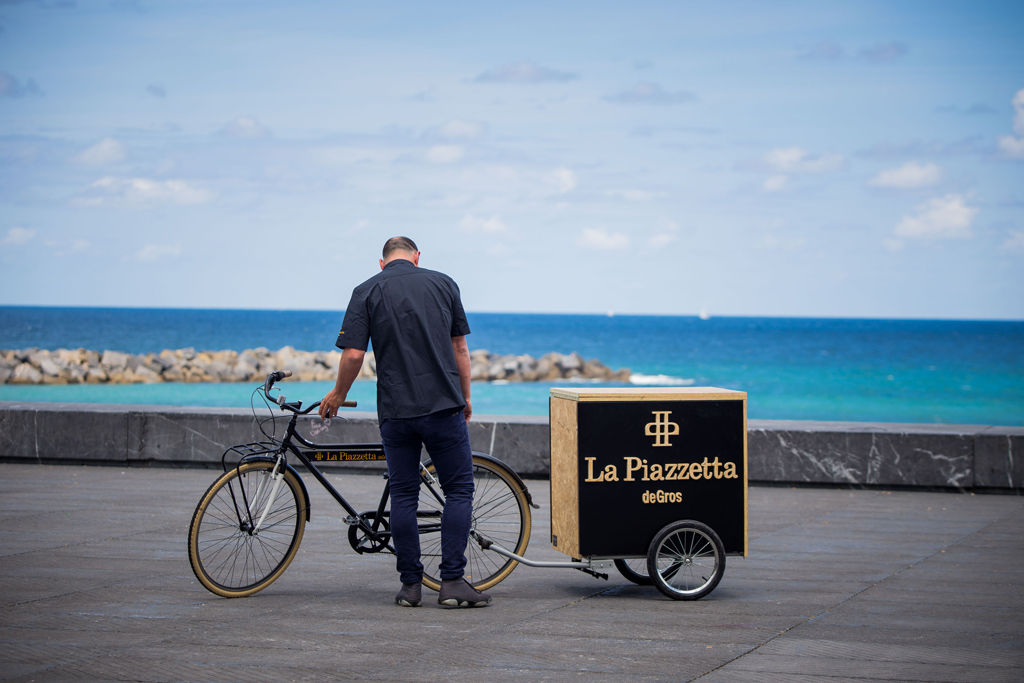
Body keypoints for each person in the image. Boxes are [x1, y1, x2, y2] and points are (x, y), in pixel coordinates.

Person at [319, 236, 490, 608]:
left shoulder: (366, 290)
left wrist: (337, 394)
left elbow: (353, 354)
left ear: (382, 263)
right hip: (442, 405)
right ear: (416, 257)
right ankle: (452, 582)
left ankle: (410, 587)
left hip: (396, 410)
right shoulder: (444, 284)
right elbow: (460, 348)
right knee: (459, 491)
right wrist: (466, 397)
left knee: (403, 495)